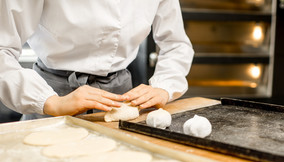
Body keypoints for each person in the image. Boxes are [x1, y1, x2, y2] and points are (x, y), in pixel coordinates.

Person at [0, 0, 194, 120]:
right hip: (53, 95)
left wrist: (165, 86)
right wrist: (51, 103)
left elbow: (176, 43)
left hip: (121, 101)